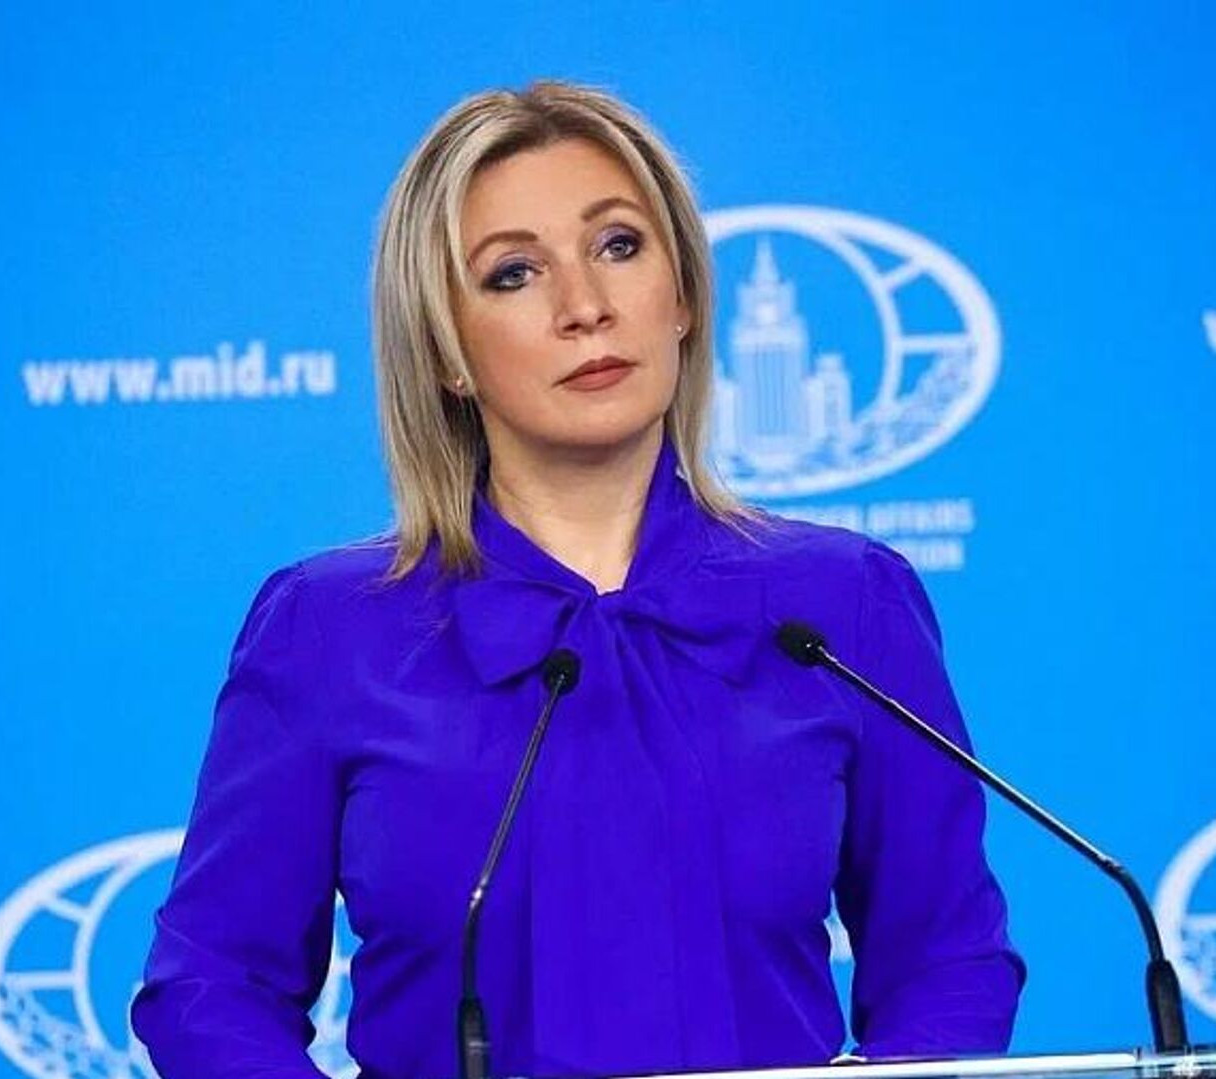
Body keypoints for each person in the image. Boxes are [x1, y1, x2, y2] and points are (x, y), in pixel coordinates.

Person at [131, 79, 1023, 1079]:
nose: (586, 307)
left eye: (619, 245)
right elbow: (212, 984)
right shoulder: (330, 627)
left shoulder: (845, 603)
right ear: (446, 353)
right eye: (514, 273)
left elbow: (948, 958)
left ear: (682, 297)